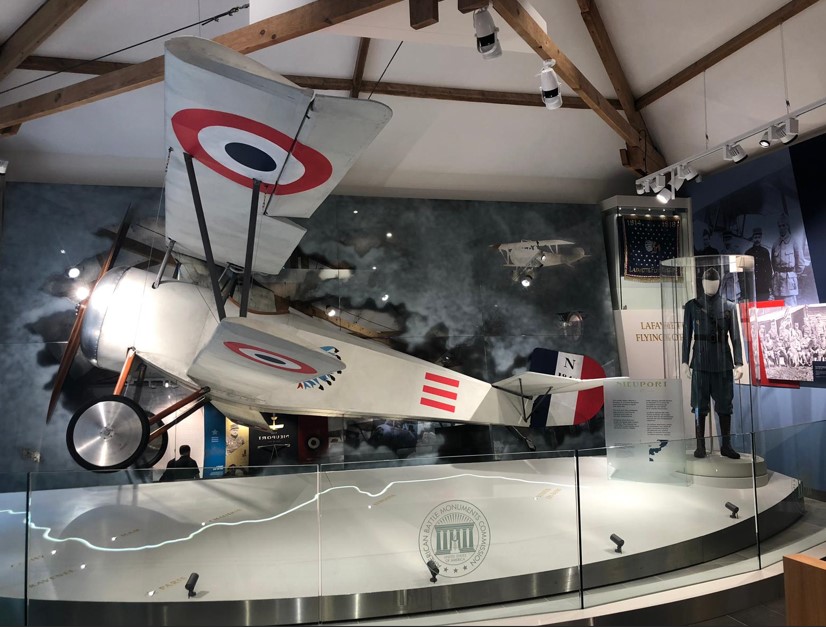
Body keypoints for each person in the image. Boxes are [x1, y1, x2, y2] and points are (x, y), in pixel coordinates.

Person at [682, 267, 744, 459]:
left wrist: (739, 362)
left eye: (714, 283)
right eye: (707, 282)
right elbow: (686, 336)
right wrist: (684, 361)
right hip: (700, 363)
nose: (710, 286)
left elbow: (735, 337)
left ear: (719, 284)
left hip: (722, 363)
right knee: (699, 406)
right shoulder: (692, 306)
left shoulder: (729, 306)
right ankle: (700, 445)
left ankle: (726, 445)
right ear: (702, 283)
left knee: (725, 405)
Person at [771, 214, 807, 306]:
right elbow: (773, 263)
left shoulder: (794, 242)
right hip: (778, 283)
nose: (781, 228)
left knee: (790, 307)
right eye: (779, 226)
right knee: (779, 307)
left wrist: (793, 275)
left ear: (787, 226)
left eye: (783, 225)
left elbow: (801, 263)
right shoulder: (775, 244)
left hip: (790, 282)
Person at [743, 227, 773, 302]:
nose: (757, 239)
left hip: (763, 285)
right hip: (752, 286)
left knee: (763, 303)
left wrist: (769, 285)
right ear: (753, 238)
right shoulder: (748, 253)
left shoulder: (765, 252)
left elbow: (769, 270)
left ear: (761, 238)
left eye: (759, 237)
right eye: (755, 237)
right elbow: (746, 272)